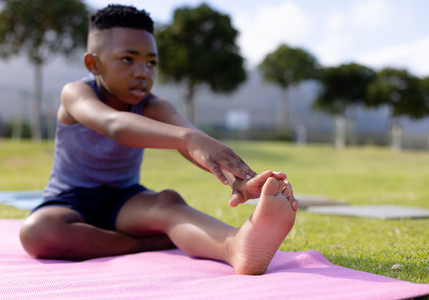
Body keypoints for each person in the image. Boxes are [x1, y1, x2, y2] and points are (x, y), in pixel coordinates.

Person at [19, 4, 298, 275]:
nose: (143, 72)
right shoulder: (76, 94)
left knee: (167, 204)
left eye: (151, 62)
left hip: (125, 202)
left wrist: (238, 178)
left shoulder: (153, 105)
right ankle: (150, 243)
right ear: (93, 63)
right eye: (128, 59)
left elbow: (195, 146)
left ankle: (236, 246)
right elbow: (114, 125)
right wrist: (189, 138)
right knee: (38, 233)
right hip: (69, 201)